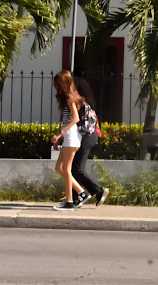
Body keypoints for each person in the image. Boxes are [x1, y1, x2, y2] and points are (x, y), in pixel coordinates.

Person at [50, 70, 87, 210]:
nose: (57, 87)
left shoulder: (70, 98)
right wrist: (59, 139)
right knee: (59, 168)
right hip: (69, 136)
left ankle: (70, 201)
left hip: (71, 136)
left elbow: (75, 119)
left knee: (66, 169)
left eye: (58, 84)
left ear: (63, 83)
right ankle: (81, 193)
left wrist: (59, 134)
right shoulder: (70, 96)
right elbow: (67, 120)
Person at [70, 74, 108, 207]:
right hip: (90, 136)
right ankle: (77, 198)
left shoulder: (79, 102)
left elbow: (74, 121)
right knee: (74, 168)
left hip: (87, 136)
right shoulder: (86, 102)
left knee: (77, 169)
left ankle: (98, 190)